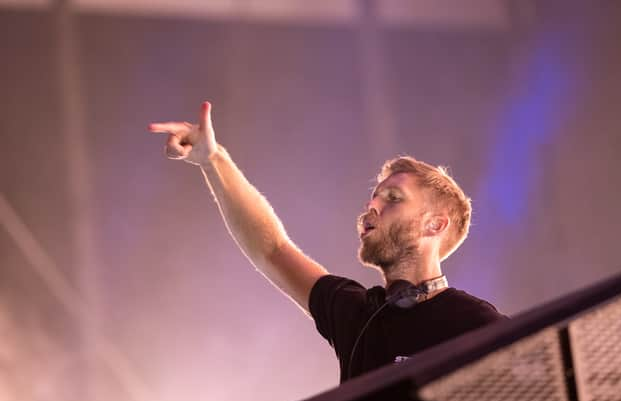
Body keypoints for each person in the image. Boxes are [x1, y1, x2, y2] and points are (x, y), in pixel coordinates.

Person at [149, 101, 507, 383]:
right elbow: (273, 250)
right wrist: (213, 160)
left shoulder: (475, 324)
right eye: (374, 198)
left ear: (435, 225)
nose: (373, 206)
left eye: (393, 198)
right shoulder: (359, 315)